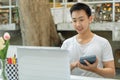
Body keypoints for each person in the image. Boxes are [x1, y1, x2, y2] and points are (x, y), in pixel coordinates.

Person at [61, 3, 116, 78]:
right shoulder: (66, 44)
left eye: (81, 20)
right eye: (74, 21)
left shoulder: (103, 43)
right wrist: (73, 65)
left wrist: (95, 69)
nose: (78, 24)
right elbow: (59, 70)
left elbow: (112, 73)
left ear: (90, 19)